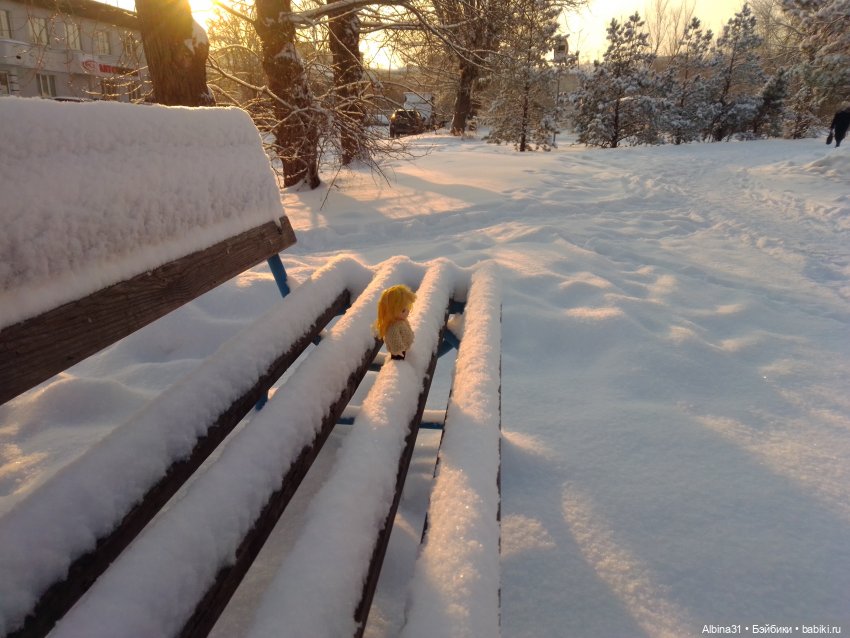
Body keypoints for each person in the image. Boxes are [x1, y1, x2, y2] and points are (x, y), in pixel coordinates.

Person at [375, 285, 416, 360]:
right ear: (391, 311)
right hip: (399, 353)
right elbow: (394, 339)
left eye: (408, 308)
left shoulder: (402, 321)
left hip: (405, 348)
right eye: (403, 310)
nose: (407, 312)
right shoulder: (393, 327)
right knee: (399, 361)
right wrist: (398, 350)